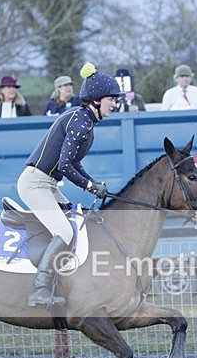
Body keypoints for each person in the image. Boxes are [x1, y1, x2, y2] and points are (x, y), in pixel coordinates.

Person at [19, 62, 122, 307]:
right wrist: (89, 186)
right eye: (111, 99)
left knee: (75, 221)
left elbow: (71, 163)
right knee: (65, 231)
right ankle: (39, 289)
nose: (115, 104)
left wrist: (93, 182)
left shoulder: (83, 120)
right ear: (97, 99)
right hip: (36, 185)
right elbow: (65, 166)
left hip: (48, 185)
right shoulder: (81, 122)